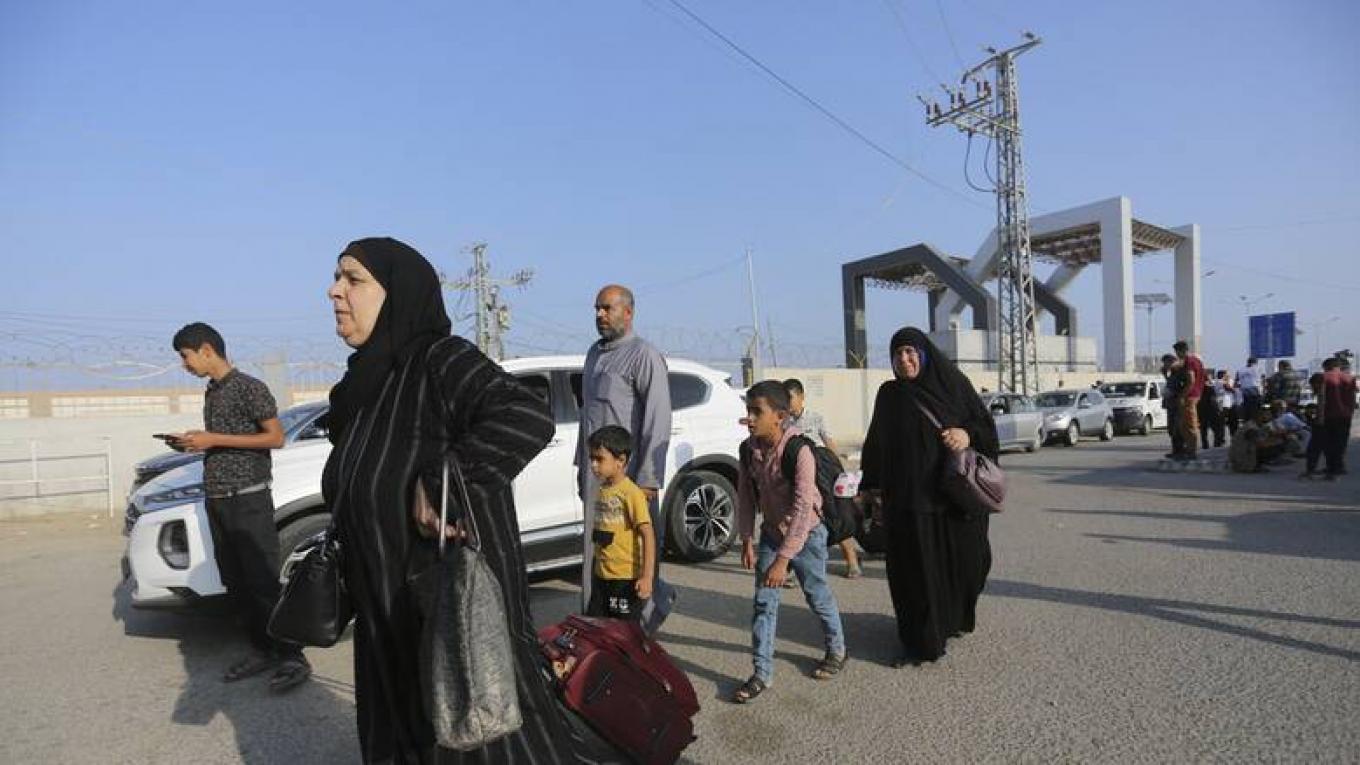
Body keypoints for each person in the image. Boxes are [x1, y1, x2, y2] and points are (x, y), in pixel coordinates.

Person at [321, 238, 594, 763]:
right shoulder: (364, 385)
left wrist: (444, 480)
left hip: (449, 615)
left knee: (480, 740)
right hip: (384, 620)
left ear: (397, 292)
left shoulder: (439, 360)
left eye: (352, 279)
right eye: (336, 278)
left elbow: (524, 415)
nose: (334, 291)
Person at [168, 322, 310, 692]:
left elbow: (275, 437)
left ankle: (292, 656)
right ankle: (262, 649)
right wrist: (195, 443)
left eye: (185, 356)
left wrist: (213, 438)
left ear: (206, 350)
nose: (184, 364)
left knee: (262, 582)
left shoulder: (249, 387)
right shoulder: (212, 391)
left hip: (248, 499)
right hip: (218, 499)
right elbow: (226, 442)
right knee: (236, 582)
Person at [857, 327, 999, 667]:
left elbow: (986, 428)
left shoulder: (953, 385)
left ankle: (952, 618)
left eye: (910, 352)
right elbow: (876, 443)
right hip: (907, 504)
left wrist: (967, 434)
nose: (904, 360)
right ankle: (920, 643)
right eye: (898, 354)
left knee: (968, 566)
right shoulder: (890, 395)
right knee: (913, 576)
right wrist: (869, 488)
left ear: (924, 354)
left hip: (952, 503)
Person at [731, 380, 847, 703]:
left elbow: (802, 508)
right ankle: (761, 673)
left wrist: (783, 560)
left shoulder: (800, 451)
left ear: (780, 417)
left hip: (807, 533)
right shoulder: (748, 450)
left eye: (757, 412)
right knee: (764, 604)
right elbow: (745, 496)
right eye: (748, 410)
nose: (750, 418)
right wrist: (746, 539)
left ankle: (837, 649)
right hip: (772, 533)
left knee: (816, 594)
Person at [577, 284, 672, 610]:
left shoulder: (644, 356)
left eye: (607, 308)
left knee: (634, 553)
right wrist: (581, 469)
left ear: (628, 312)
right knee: (599, 551)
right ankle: (597, 621)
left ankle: (645, 620)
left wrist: (648, 478)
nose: (600, 314)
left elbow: (658, 418)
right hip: (596, 475)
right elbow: (587, 416)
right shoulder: (593, 354)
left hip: (628, 479)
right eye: (597, 308)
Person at [783, 378, 861, 579]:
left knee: (834, 516)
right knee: (798, 519)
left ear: (801, 397)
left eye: (790, 398)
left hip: (822, 475)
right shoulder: (784, 422)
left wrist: (841, 473)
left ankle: (852, 561)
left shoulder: (815, 418)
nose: (787, 403)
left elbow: (829, 443)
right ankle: (791, 568)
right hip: (798, 476)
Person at [584, 425, 656, 620]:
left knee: (623, 631)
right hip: (601, 577)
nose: (593, 465)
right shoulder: (600, 489)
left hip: (624, 579)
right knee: (597, 626)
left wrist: (646, 577)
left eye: (599, 459)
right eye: (591, 459)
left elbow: (647, 534)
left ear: (621, 460)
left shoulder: (631, 493)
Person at [1317, 357, 1358, 479]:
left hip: (1329, 415)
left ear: (1326, 366)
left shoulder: (1324, 377)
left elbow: (1322, 397)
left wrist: (1320, 416)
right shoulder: (1349, 378)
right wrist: (1350, 411)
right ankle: (1339, 466)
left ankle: (1332, 468)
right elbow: (1353, 398)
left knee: (1329, 443)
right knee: (1341, 442)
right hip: (1345, 415)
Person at [1173, 341, 1205, 460]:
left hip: (1190, 396)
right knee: (1183, 425)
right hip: (1196, 394)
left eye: (1177, 352)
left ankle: (1192, 451)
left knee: (1190, 425)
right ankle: (1189, 449)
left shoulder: (1189, 362)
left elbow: (1191, 380)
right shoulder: (1197, 361)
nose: (1177, 355)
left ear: (1182, 351)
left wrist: (1182, 395)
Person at [1160, 354, 1187, 458]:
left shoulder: (1180, 373)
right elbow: (1170, 385)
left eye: (1167, 363)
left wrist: (1178, 396)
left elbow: (1182, 386)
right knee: (1171, 429)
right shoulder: (1171, 374)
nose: (1165, 365)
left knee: (1177, 428)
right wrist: (1165, 375)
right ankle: (1176, 450)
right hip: (1171, 404)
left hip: (1177, 404)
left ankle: (1181, 450)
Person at [1198, 370, 1224, 449]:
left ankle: (1205, 444)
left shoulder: (1199, 387)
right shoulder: (1210, 387)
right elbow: (1213, 399)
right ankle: (1217, 443)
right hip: (1211, 409)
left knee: (1203, 428)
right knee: (1215, 427)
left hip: (1202, 408)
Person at [1217, 369, 1239, 437]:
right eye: (1226, 374)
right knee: (1221, 423)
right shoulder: (1219, 381)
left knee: (1233, 422)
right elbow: (1228, 387)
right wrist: (1233, 390)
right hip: (1222, 404)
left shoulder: (1228, 381)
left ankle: (1234, 436)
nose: (1228, 376)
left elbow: (1236, 385)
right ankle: (1221, 438)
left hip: (1231, 404)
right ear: (1222, 375)